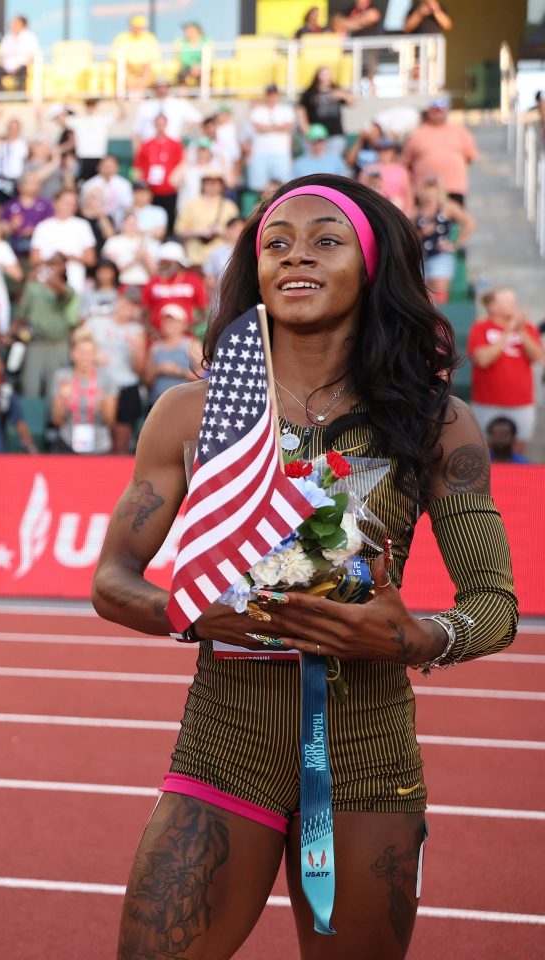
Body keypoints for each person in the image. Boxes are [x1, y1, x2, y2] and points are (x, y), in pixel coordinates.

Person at [93, 174, 518, 959]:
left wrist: (416, 638)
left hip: (370, 754)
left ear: (371, 263)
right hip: (225, 743)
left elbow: (495, 604)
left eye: (326, 240)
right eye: (276, 243)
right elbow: (112, 580)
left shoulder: (435, 421)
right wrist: (186, 613)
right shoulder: (192, 411)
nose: (297, 257)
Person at [468, 288, 542, 450]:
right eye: (508, 300)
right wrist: (508, 330)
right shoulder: (480, 328)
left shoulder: (527, 328)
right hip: (487, 403)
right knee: (484, 449)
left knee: (518, 448)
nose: (514, 304)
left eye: (514, 300)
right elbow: (483, 360)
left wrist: (521, 329)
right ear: (493, 307)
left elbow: (538, 356)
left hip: (521, 402)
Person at [85, 292, 147, 452]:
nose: (127, 308)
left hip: (126, 385)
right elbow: (78, 346)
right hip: (99, 385)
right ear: (117, 301)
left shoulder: (137, 330)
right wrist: (93, 356)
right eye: (125, 302)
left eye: (133, 305)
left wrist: (137, 352)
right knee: (95, 439)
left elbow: (139, 370)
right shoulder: (96, 323)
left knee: (120, 443)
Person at [14, 252, 80, 398]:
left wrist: (52, 277)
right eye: (51, 264)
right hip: (36, 342)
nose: (53, 267)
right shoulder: (32, 287)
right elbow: (22, 314)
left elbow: (63, 294)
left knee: (56, 389)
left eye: (58, 264)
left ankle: (53, 420)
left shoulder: (68, 289)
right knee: (30, 386)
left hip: (59, 343)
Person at [47, 332, 114, 454]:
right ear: (72, 354)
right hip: (68, 442)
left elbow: (110, 421)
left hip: (99, 444)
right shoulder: (62, 377)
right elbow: (56, 420)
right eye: (81, 353)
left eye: (89, 353)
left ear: (95, 355)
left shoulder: (106, 378)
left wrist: (102, 405)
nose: (85, 357)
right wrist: (63, 399)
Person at [401, 97, 477, 205]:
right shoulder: (417, 134)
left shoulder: (460, 132)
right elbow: (406, 163)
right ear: (429, 112)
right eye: (435, 111)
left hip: (453, 188)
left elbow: (470, 157)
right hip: (425, 190)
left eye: (441, 111)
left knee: (455, 219)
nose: (438, 114)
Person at [414, 178, 473, 303]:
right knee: (423, 295)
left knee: (439, 291)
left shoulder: (447, 207)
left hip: (440, 254)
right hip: (422, 256)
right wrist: (422, 233)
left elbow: (469, 223)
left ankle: (439, 321)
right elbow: (409, 236)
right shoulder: (417, 211)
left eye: (433, 189)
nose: (430, 192)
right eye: (427, 189)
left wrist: (456, 243)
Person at [29, 187, 97, 294]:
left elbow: (90, 259)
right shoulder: (43, 226)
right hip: (46, 281)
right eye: (66, 203)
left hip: (74, 280)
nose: (69, 207)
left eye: (73, 204)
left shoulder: (82, 225)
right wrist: (54, 259)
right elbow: (34, 259)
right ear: (55, 203)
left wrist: (69, 257)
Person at [144, 302, 202, 408]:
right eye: (166, 321)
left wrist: (179, 371)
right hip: (157, 404)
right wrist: (157, 370)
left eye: (173, 321)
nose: (169, 324)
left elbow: (203, 377)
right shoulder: (155, 348)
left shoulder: (192, 345)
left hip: (183, 403)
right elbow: (147, 381)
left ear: (183, 324)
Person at [141, 241, 208, 331]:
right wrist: (152, 332)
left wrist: (187, 329)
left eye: (165, 262)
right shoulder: (153, 282)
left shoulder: (193, 280)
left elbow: (203, 311)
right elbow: (145, 313)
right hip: (158, 338)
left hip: (185, 337)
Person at [135, 113, 184, 231]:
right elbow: (138, 167)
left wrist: (176, 181)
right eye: (158, 124)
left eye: (162, 124)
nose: (160, 127)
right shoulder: (146, 144)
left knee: (169, 219)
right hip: (150, 190)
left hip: (168, 190)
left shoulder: (175, 144)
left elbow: (181, 165)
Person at [247, 84, 296, 194]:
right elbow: (258, 127)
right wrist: (278, 127)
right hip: (261, 152)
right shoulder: (258, 111)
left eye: (274, 94)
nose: (272, 97)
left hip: (280, 152)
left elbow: (288, 126)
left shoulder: (286, 110)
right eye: (270, 94)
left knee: (282, 185)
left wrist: (267, 128)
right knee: (260, 187)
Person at [298, 66, 354, 158]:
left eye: (328, 74)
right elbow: (301, 110)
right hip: (315, 137)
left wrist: (343, 95)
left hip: (335, 135)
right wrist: (306, 130)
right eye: (323, 74)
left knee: (331, 162)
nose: (326, 77)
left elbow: (353, 102)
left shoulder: (337, 90)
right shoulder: (310, 93)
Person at [112, 15, 162, 94]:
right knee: (120, 72)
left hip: (145, 71)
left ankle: (137, 94)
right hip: (127, 70)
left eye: (141, 27)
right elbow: (115, 58)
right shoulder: (122, 38)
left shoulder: (150, 38)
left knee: (151, 71)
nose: (139, 29)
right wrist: (128, 72)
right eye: (136, 26)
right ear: (131, 26)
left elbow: (152, 61)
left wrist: (141, 82)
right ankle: (133, 95)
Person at [81, 154, 133, 227]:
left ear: (117, 168)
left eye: (111, 166)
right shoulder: (89, 184)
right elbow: (84, 205)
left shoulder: (124, 184)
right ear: (99, 167)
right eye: (105, 166)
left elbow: (127, 206)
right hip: (94, 218)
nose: (108, 169)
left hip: (118, 220)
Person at [0, 15, 40, 93]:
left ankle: (21, 97)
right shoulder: (7, 37)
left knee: (24, 71)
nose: (12, 25)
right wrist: (1, 63)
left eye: (16, 23)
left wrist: (25, 64)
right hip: (7, 67)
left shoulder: (30, 37)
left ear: (23, 24)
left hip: (22, 67)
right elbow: (1, 54)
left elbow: (34, 54)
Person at [177, 22, 207, 87]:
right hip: (189, 68)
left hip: (203, 67)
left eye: (190, 30)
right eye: (186, 31)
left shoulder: (206, 41)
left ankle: (205, 94)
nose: (187, 33)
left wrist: (199, 65)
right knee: (181, 75)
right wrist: (192, 66)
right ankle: (183, 96)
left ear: (197, 31)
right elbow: (184, 58)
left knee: (207, 74)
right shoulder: (184, 44)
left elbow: (208, 56)